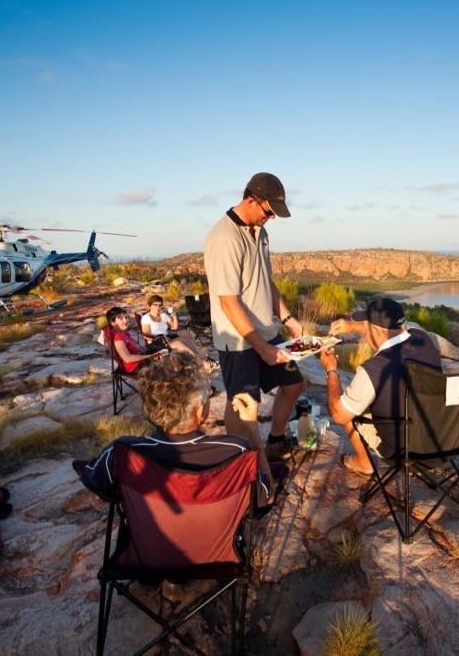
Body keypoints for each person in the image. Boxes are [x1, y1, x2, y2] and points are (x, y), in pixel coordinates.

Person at [75, 350, 278, 505]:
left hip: (147, 556)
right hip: (219, 555)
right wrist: (251, 427)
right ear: (198, 412)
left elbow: (93, 479)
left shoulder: (121, 453)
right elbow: (265, 498)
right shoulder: (236, 453)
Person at [204, 172, 305, 461]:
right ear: (251, 199)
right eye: (268, 211)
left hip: (267, 332)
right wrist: (262, 348)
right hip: (238, 340)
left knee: (294, 385)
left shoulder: (261, 233)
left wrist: (288, 320)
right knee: (244, 404)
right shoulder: (224, 237)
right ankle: (241, 464)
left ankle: (274, 440)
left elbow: (267, 281)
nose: (270, 218)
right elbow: (228, 302)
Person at [319, 298, 441, 476]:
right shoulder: (422, 338)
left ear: (374, 331)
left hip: (403, 449)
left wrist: (331, 370)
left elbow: (338, 414)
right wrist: (352, 326)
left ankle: (364, 463)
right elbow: (389, 330)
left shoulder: (375, 369)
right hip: (440, 440)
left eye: (366, 327)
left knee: (350, 404)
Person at [103, 306, 168, 373]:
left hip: (141, 359)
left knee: (165, 350)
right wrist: (150, 356)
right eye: (120, 318)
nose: (125, 320)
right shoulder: (118, 337)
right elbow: (127, 359)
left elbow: (138, 347)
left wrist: (154, 351)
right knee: (169, 362)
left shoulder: (123, 332)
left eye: (126, 317)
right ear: (112, 322)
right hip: (135, 366)